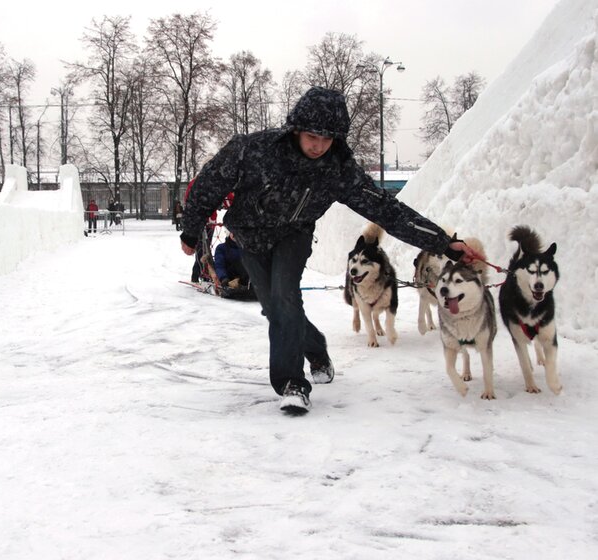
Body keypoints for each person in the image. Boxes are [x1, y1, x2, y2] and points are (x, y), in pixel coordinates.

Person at [180, 86, 480, 415]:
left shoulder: (337, 169)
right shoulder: (253, 150)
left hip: (294, 235)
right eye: (312, 136)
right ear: (296, 129)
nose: (318, 146)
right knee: (275, 309)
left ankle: (292, 384)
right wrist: (191, 231)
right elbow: (209, 184)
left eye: (327, 139)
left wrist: (443, 243)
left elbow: (387, 210)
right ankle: (316, 349)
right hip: (250, 237)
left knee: (284, 299)